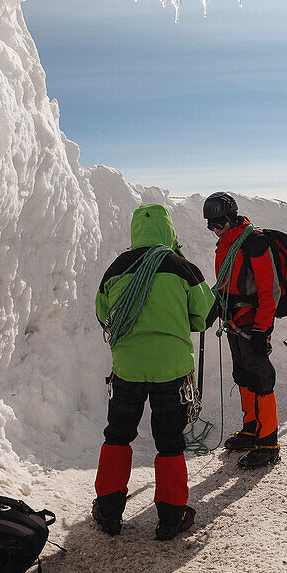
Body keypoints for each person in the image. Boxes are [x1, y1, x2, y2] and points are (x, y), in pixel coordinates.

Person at [92, 204, 215, 540]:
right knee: (170, 440)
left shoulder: (115, 269)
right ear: (168, 229)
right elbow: (203, 317)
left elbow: (104, 314)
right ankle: (172, 514)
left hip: (128, 369)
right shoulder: (183, 269)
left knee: (118, 434)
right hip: (171, 370)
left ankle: (108, 509)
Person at [203, 191, 282, 470]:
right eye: (211, 225)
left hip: (252, 323)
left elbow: (269, 289)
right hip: (235, 319)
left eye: (219, 223)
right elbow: (227, 281)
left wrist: (262, 330)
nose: (215, 229)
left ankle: (268, 443)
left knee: (261, 378)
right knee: (243, 375)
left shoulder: (254, 241)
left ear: (231, 217)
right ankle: (251, 430)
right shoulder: (227, 241)